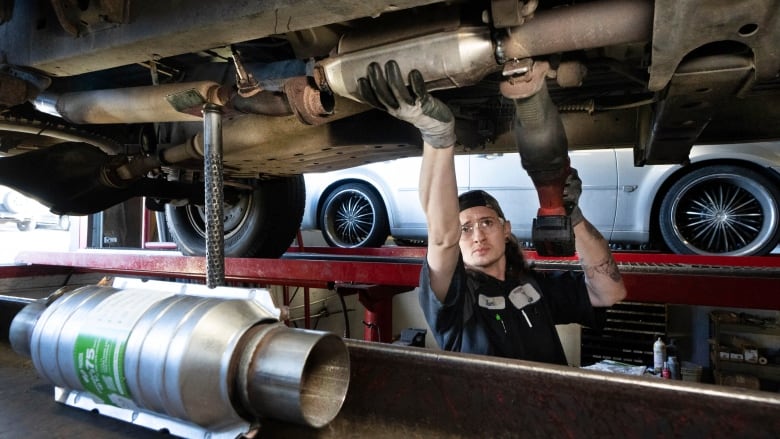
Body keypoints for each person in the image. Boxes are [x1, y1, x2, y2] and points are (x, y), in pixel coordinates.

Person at [356, 60, 627, 364]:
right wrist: (438, 138)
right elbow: (442, 236)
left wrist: (572, 216)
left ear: (506, 228)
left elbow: (610, 292)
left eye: (486, 222)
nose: (477, 234)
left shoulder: (533, 286)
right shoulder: (455, 298)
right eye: (466, 228)